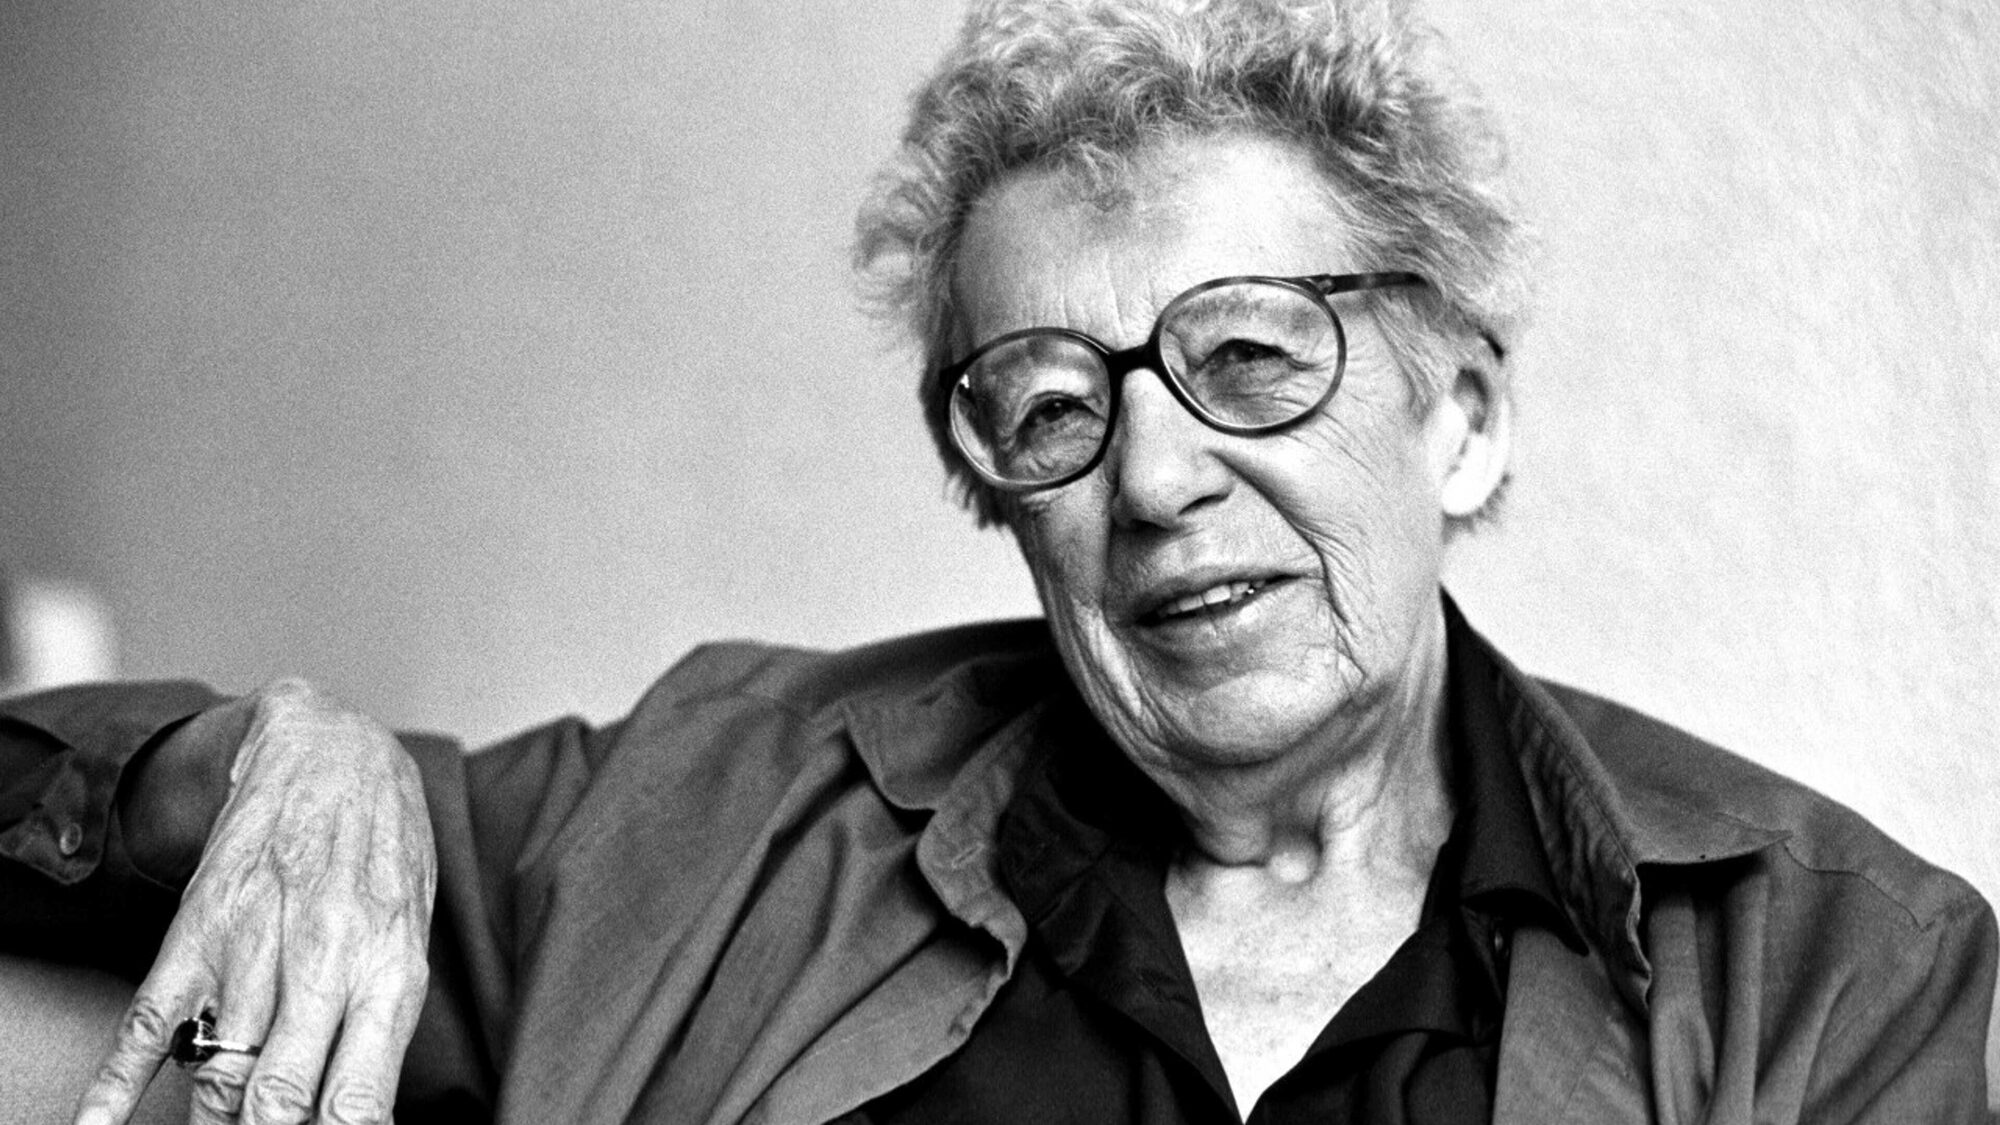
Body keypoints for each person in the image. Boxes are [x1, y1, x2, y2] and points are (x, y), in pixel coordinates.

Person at [2, 0, 1994, 1122]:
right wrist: (283, 753)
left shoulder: (1838, 978)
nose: (1156, 476)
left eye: (1247, 357)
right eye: (1050, 404)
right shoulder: (712, 814)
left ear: (1459, 415)